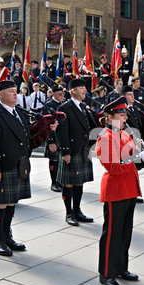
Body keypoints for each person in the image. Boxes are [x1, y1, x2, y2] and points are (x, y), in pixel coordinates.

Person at [0, 80, 57, 256]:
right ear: (0, 95)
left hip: (19, 164)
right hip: (4, 166)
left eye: (16, 91)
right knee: (1, 203)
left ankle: (7, 237)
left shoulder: (18, 113)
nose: (16, 94)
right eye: (11, 91)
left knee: (12, 202)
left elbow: (28, 139)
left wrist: (48, 130)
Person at [95, 96, 144, 285]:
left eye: (125, 114)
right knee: (112, 233)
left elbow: (130, 158)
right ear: (110, 117)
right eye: (120, 115)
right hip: (115, 189)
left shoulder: (125, 134)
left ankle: (121, 267)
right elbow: (114, 167)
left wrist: (141, 151)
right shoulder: (105, 137)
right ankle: (106, 272)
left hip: (129, 188)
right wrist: (135, 157)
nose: (125, 118)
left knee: (125, 232)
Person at [55, 79, 96, 226]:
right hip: (71, 151)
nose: (85, 90)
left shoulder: (83, 107)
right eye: (82, 88)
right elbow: (61, 132)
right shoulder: (64, 108)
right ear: (73, 91)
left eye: (85, 88)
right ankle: (69, 213)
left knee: (79, 183)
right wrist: (65, 151)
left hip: (83, 149)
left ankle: (77, 210)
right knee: (69, 184)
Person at [121, 85, 144, 203]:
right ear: (123, 97)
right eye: (129, 95)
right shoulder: (121, 111)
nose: (133, 96)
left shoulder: (134, 109)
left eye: (133, 94)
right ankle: (128, 193)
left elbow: (139, 126)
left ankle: (134, 193)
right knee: (128, 170)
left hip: (137, 142)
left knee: (135, 170)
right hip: (127, 144)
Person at [44, 86, 64, 192]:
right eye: (59, 94)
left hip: (62, 138)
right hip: (53, 137)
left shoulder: (63, 105)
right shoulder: (49, 106)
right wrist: (50, 141)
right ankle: (54, 182)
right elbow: (46, 125)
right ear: (53, 94)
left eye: (62, 94)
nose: (62, 96)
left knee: (61, 161)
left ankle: (60, 181)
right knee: (54, 161)